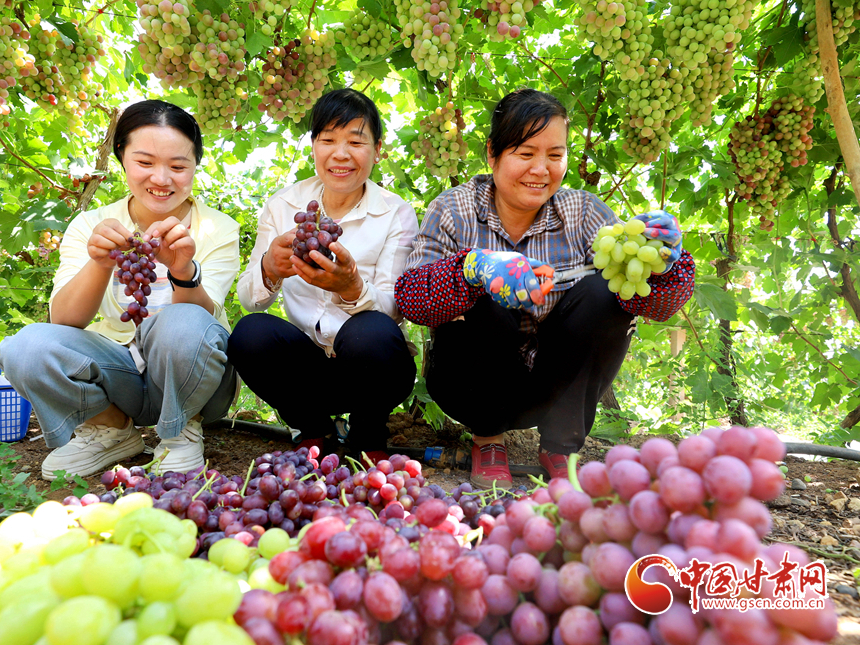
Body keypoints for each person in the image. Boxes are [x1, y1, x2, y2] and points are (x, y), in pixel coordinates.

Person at [394, 88, 695, 486]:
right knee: (482, 296)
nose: (540, 169)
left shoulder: (584, 213)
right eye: (525, 153)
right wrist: (473, 268)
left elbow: (657, 306)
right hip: (469, 386)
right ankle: (488, 438)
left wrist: (667, 266)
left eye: (555, 155)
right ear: (492, 154)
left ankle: (561, 446)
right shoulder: (453, 209)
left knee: (604, 293)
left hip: (553, 388)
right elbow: (411, 300)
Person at [0, 100, 240, 480]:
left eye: (178, 167)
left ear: (195, 166)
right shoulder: (91, 225)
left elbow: (202, 321)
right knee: (25, 348)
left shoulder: (218, 228)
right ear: (122, 158)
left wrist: (183, 270)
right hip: (120, 375)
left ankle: (181, 429)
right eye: (145, 162)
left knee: (182, 321)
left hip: (197, 380)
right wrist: (100, 263)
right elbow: (64, 320)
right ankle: (110, 430)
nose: (162, 178)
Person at [228, 89, 419, 462]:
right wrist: (269, 269)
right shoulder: (283, 206)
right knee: (251, 334)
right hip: (308, 371)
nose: (341, 154)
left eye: (356, 142)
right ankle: (314, 429)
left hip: (373, 369)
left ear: (377, 150)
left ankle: (368, 434)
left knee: (372, 331)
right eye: (328, 140)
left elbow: (395, 308)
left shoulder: (395, 213)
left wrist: (352, 289)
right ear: (313, 146)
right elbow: (250, 300)